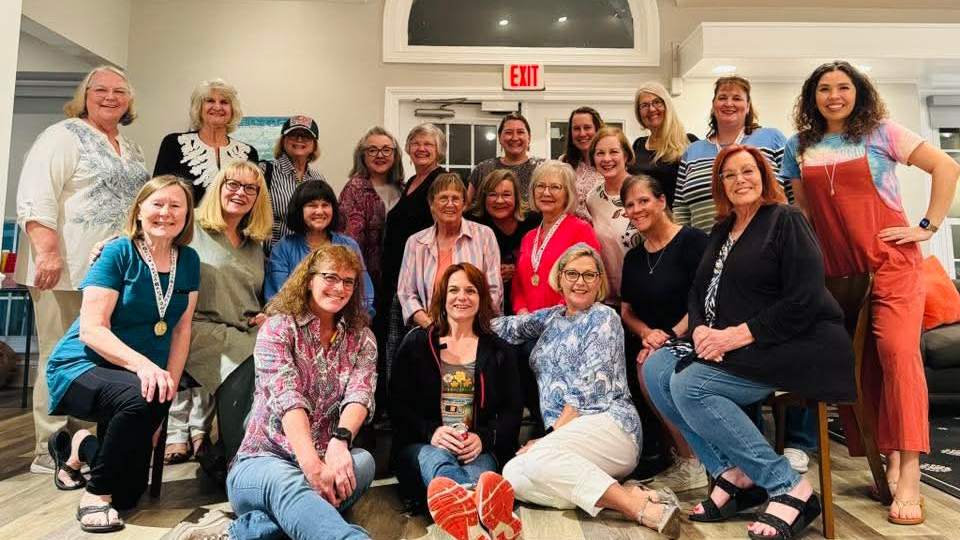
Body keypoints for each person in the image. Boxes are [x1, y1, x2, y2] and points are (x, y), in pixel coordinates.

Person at [642, 145, 855, 540]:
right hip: (739, 342)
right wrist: (700, 329)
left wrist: (737, 335)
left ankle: (787, 485)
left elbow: (805, 297)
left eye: (748, 171)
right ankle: (734, 473)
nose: (740, 180)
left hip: (795, 343)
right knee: (656, 369)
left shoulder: (785, 219)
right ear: (720, 185)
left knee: (690, 386)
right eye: (730, 174)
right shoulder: (722, 229)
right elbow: (698, 291)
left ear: (763, 176)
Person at [782, 60, 960, 526]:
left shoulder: (882, 133)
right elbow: (805, 215)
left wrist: (927, 226)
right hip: (838, 273)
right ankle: (888, 454)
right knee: (861, 367)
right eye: (824, 88)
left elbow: (946, 166)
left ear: (858, 92)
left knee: (898, 354)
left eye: (843, 87)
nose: (834, 96)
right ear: (812, 97)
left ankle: (910, 470)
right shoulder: (797, 147)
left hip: (893, 264)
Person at [15, 65, 150, 476]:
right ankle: (49, 446)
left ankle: (82, 443)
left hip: (111, 273)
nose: (110, 97)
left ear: (129, 100)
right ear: (84, 95)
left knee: (94, 359)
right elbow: (35, 196)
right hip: (65, 269)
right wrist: (48, 253)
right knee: (59, 354)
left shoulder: (131, 147)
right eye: (100, 89)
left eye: (119, 91)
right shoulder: (62, 136)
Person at [493, 244, 681, 538]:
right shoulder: (551, 318)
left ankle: (635, 508)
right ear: (559, 278)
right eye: (572, 274)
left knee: (532, 462)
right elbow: (506, 327)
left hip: (609, 425)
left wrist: (548, 438)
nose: (580, 282)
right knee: (514, 476)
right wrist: (451, 321)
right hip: (568, 443)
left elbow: (586, 392)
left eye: (589, 275)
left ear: (599, 282)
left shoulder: (604, 318)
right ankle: (624, 494)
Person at [44, 176, 200, 532]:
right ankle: (95, 496)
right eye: (157, 203)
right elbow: (92, 329)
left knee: (129, 495)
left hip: (135, 377)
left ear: (187, 215)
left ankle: (81, 446)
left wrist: (166, 396)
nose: (166, 212)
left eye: (176, 206)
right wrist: (145, 368)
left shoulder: (189, 260)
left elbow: (181, 330)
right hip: (82, 365)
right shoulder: (118, 252)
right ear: (139, 210)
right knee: (144, 395)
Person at [223, 245, 378, 540]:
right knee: (289, 482)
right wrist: (311, 467)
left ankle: (256, 530)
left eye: (348, 281)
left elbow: (360, 393)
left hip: (326, 456)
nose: (339, 288)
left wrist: (340, 442)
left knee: (363, 462)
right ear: (308, 280)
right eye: (330, 277)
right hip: (264, 463)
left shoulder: (362, 337)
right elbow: (288, 400)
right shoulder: (278, 328)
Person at [390, 263, 523, 539]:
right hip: (424, 446)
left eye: (470, 291)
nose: (461, 297)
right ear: (442, 296)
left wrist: (483, 439)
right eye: (454, 290)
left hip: (477, 449)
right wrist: (431, 432)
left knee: (482, 474)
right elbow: (397, 405)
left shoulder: (500, 350)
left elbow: (512, 411)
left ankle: (468, 523)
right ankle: (487, 517)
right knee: (438, 460)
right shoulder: (416, 344)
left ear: (481, 298)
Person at [164, 160, 272, 467]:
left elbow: (252, 292)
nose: (240, 193)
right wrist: (107, 245)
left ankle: (262, 451)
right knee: (248, 360)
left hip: (243, 328)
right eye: (233, 184)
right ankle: (240, 459)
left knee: (277, 353)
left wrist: (264, 314)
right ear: (219, 187)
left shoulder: (254, 242)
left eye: (250, 188)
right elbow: (146, 236)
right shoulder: (190, 226)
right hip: (195, 327)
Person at [619, 174, 709, 492]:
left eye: (643, 200)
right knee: (642, 360)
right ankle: (673, 453)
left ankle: (693, 462)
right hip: (653, 341)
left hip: (696, 335)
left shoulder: (693, 241)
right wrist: (647, 334)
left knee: (649, 365)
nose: (636, 209)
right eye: (630, 205)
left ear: (662, 201)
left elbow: (703, 300)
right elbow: (626, 311)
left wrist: (669, 335)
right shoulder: (633, 256)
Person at [674, 75, 789, 232]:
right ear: (713, 105)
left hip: (769, 240)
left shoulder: (772, 139)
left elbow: (793, 193)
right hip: (705, 244)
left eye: (737, 98)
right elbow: (680, 208)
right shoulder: (692, 151)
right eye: (722, 98)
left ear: (748, 106)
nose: (729, 103)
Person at [379, 123, 447, 378]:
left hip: (421, 280)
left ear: (439, 150)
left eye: (428, 144)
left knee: (417, 351)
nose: (421, 148)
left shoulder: (440, 181)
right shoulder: (409, 183)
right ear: (407, 149)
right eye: (416, 143)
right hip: (398, 276)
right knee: (398, 348)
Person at [397, 173, 502, 331]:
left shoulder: (484, 236)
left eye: (456, 198)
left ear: (464, 204)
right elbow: (406, 293)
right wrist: (429, 326)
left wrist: (470, 326)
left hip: (477, 330)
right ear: (432, 204)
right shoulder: (416, 243)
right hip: (430, 330)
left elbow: (494, 290)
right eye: (443, 198)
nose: (450, 204)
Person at [266, 179, 373, 311]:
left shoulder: (349, 245)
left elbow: (365, 296)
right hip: (294, 319)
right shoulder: (283, 248)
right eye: (312, 205)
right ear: (299, 210)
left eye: (325, 205)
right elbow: (278, 297)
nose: (320, 211)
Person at [512, 160, 600, 315]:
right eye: (540, 186)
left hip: (566, 321)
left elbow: (588, 283)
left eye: (555, 187)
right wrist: (522, 312)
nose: (546, 193)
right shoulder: (528, 237)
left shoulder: (581, 230)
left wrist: (551, 319)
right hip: (528, 323)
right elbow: (518, 285)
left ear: (568, 193)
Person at [153, 78, 258, 204]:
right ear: (199, 108)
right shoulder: (174, 144)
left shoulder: (248, 153)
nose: (217, 107)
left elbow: (253, 200)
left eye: (224, 102)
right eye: (210, 101)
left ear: (233, 110)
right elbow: (157, 194)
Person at [339, 126, 405, 289]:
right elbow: (347, 241)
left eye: (386, 150)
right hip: (363, 278)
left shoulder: (403, 189)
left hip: (399, 280)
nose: (380, 155)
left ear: (395, 155)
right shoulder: (354, 189)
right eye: (372, 150)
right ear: (363, 155)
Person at [468, 169, 542, 315]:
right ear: (484, 198)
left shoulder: (534, 222)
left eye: (506, 195)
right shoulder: (472, 223)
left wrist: (517, 270)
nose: (499, 201)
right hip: (485, 301)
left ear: (516, 197)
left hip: (527, 300)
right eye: (493, 195)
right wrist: (491, 274)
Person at [586, 127, 640, 306]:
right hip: (607, 299)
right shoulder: (592, 198)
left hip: (642, 295)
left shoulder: (643, 192)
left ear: (626, 156)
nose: (607, 159)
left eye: (614, 152)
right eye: (600, 153)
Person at [261, 115, 328, 250]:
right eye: (293, 135)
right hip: (272, 256)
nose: (299, 139)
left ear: (314, 144)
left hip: (308, 254)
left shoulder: (318, 178)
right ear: (283, 141)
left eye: (306, 136)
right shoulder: (265, 171)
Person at [628, 82, 698, 207]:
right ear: (639, 113)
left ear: (667, 105)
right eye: (644, 105)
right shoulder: (638, 144)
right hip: (643, 217)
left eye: (657, 102)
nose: (651, 109)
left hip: (677, 217)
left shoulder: (689, 142)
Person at [466, 112, 544, 206]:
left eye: (520, 132)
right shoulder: (483, 169)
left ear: (529, 137)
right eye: (508, 132)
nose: (515, 138)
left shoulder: (541, 168)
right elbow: (467, 206)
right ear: (499, 137)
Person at [559, 106, 605, 221]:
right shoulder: (564, 162)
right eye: (576, 128)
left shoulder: (609, 163)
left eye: (587, 127)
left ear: (598, 130)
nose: (582, 133)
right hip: (571, 229)